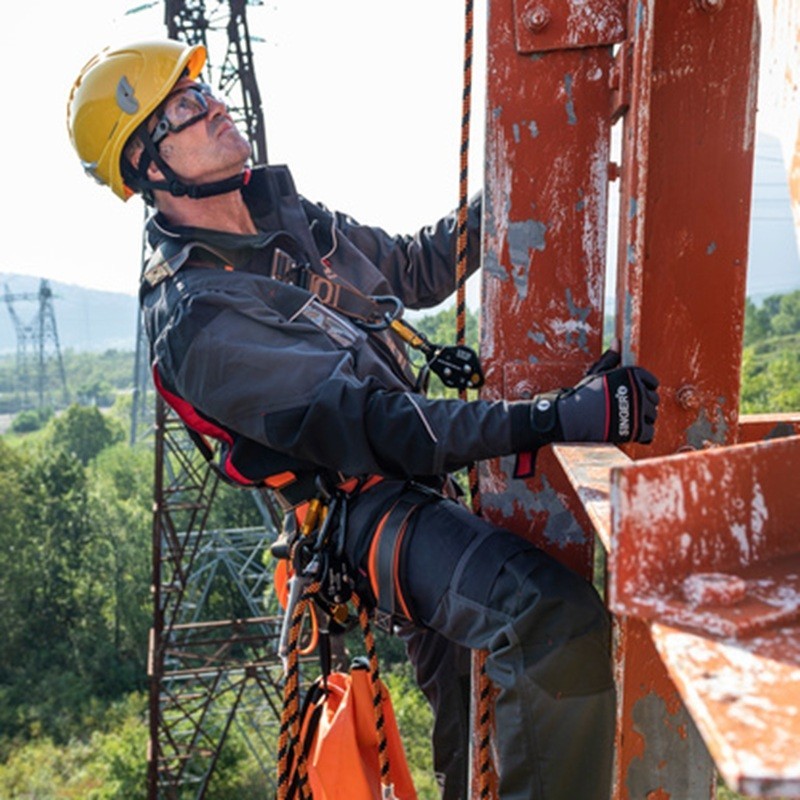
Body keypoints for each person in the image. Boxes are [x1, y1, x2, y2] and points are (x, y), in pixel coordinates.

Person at [67, 40, 660, 800]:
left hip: (414, 473)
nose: (215, 104)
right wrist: (553, 417)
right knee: (550, 620)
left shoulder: (284, 216)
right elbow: (377, 426)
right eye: (184, 106)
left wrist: (520, 175)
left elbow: (413, 268)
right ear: (149, 165)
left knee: (471, 729)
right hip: (359, 509)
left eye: (204, 88)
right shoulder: (196, 320)